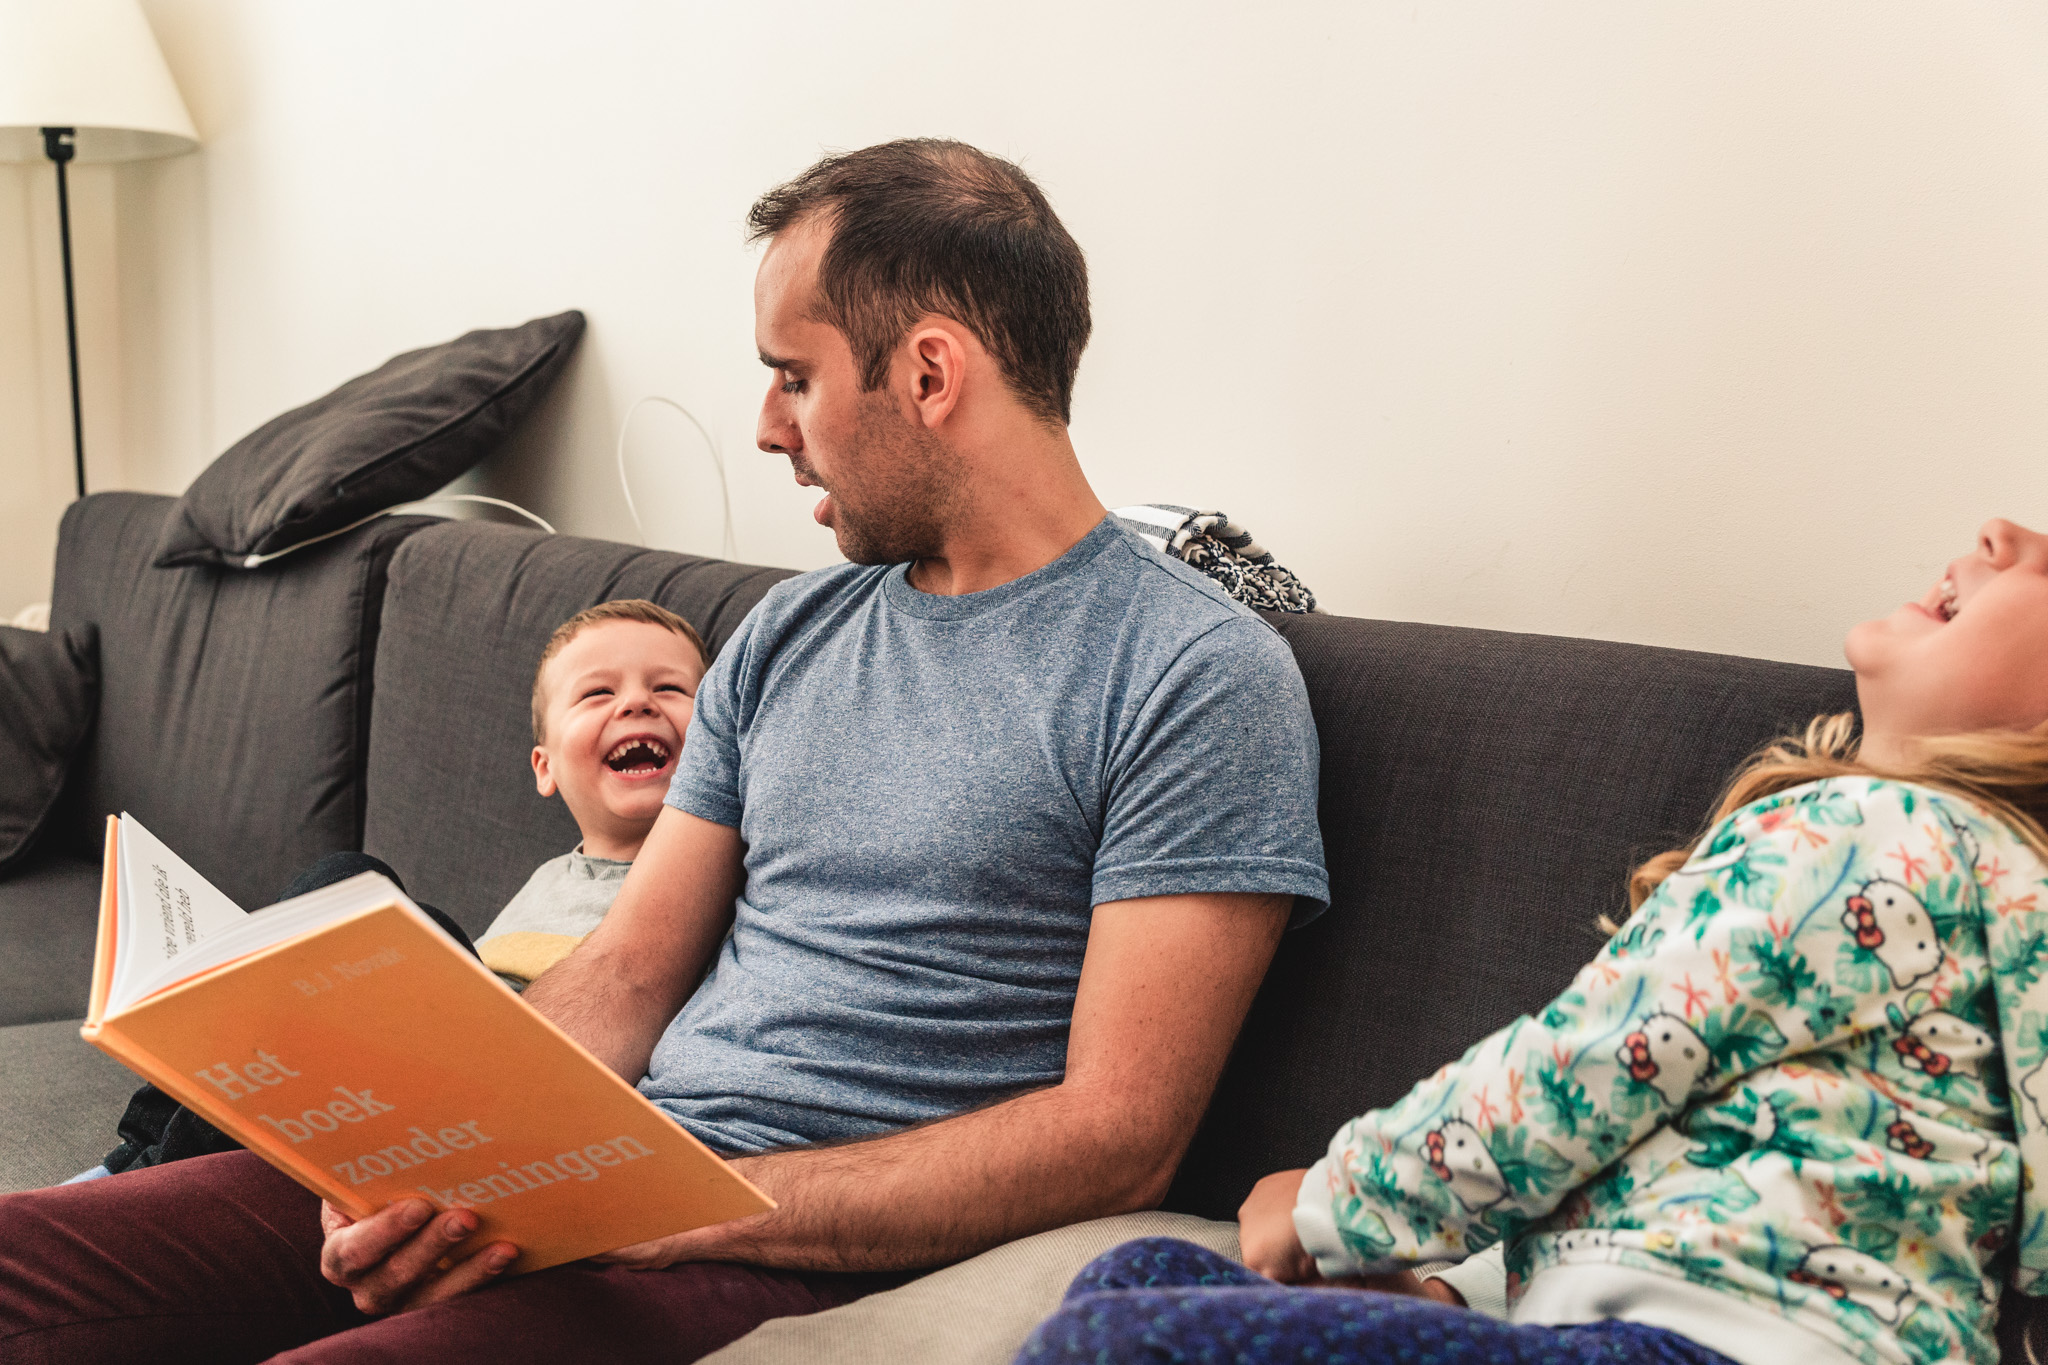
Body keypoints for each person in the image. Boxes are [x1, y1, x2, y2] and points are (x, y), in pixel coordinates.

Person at [0, 139, 1326, 1363]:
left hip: (792, 1246)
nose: (766, 423)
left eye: (793, 375)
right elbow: (632, 963)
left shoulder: (1193, 675)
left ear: (930, 374)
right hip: (602, 1179)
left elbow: (1118, 1139)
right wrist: (439, 1160)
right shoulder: (789, 632)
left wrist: (674, 1212)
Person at [1016, 517, 2048, 1365]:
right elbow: (1634, 1162)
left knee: (1121, 1338)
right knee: (1134, 1277)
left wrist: (1343, 1199)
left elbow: (1590, 1063)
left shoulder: (1876, 834)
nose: (2000, 534)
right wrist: (1445, 1289)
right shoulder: (1961, 887)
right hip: (1629, 1323)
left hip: (1720, 1345)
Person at [75, 598, 707, 1180]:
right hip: (423, 1064)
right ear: (545, 768)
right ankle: (134, 1160)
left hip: (518, 1087)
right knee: (266, 1000)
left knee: (349, 884)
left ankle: (140, 1174)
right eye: (598, 692)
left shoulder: (710, 879)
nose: (636, 704)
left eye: (670, 689)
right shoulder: (549, 877)